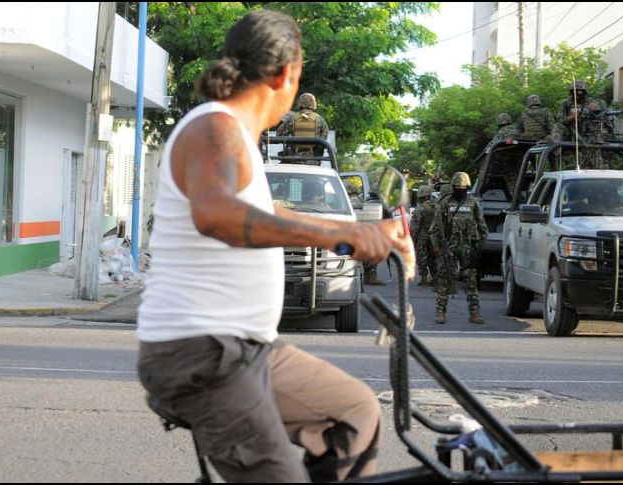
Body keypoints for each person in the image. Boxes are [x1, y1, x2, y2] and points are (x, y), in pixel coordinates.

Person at [136, 10, 415, 483]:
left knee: (354, 412)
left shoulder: (240, 137)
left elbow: (270, 213)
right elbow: (216, 214)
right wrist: (339, 235)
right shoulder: (214, 128)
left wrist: (365, 232)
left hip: (248, 349)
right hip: (202, 352)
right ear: (287, 73)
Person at [430, 172, 488, 325]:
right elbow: (435, 228)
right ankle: (441, 311)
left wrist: (479, 248)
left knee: (470, 280)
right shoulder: (445, 204)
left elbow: (483, 228)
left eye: (463, 187)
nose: (460, 190)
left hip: (468, 248)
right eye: (457, 187)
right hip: (449, 247)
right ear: (453, 187)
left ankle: (474, 312)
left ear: (467, 187)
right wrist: (436, 245)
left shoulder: (474, 204)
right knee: (444, 279)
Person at [559, 80, 609, 168]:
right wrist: (571, 117)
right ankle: (556, 147)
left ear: (584, 92)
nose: (578, 94)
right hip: (571, 132)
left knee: (594, 160)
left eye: (580, 91)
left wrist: (596, 107)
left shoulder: (591, 101)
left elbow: (604, 108)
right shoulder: (566, 103)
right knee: (557, 127)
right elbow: (560, 120)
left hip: (589, 135)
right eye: (575, 91)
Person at [276, 92, 329, 159]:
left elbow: (279, 135)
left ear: (300, 103)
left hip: (294, 158)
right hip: (313, 159)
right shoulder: (320, 119)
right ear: (313, 104)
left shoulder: (292, 118)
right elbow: (323, 138)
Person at [411, 185, 438, 287]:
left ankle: (424, 279)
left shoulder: (419, 208)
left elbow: (415, 225)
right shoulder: (436, 207)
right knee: (433, 257)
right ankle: (435, 278)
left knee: (422, 256)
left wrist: (413, 239)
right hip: (433, 236)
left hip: (422, 236)